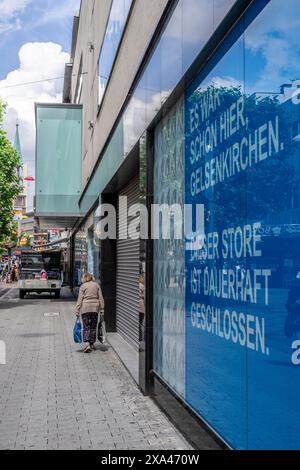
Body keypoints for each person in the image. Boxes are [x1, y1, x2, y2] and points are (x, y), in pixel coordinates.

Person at [75, 273, 105, 353]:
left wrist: (77, 310)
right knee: (93, 326)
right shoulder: (96, 285)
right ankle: (92, 344)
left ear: (84, 278)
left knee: (86, 327)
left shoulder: (83, 286)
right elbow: (101, 298)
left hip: (85, 309)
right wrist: (102, 309)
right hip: (95, 309)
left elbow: (79, 299)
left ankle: (87, 344)